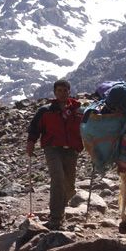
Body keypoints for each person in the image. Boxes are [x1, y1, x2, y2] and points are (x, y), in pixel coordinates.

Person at [26, 79, 83, 230]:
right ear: (54, 92)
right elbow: (34, 128)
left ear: (69, 92)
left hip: (71, 150)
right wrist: (31, 142)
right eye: (59, 91)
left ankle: (61, 207)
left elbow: (88, 129)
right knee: (58, 178)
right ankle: (56, 219)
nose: (62, 93)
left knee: (69, 185)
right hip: (52, 148)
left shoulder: (78, 110)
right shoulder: (45, 111)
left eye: (65, 91)